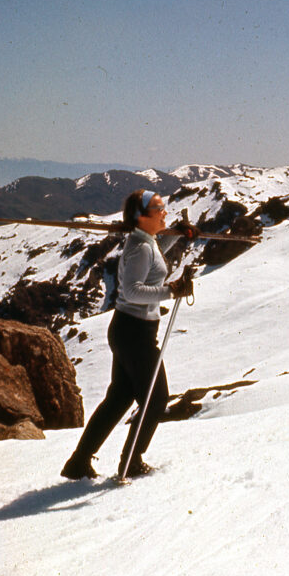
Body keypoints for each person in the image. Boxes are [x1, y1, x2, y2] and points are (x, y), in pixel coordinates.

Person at [61, 189, 198, 480]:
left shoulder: (143, 242)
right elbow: (133, 290)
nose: (165, 212)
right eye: (159, 209)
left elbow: (155, 248)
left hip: (128, 329)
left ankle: (78, 463)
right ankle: (131, 462)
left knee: (119, 398)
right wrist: (171, 291)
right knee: (156, 399)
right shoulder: (140, 247)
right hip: (135, 333)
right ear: (141, 216)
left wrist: (178, 234)